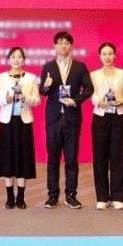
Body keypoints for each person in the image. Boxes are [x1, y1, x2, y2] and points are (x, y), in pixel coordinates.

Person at [38, 31, 93, 209]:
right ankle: (52, 196)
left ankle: (71, 195)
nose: (63, 45)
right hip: (53, 118)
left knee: (71, 159)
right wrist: (46, 86)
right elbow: (42, 91)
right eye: (60, 42)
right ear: (55, 45)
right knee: (52, 159)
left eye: (67, 42)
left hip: (72, 117)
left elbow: (89, 88)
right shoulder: (48, 66)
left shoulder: (79, 66)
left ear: (71, 45)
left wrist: (75, 100)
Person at [0, 46, 40, 210]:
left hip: (23, 121)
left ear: (23, 59)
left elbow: (36, 100)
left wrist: (25, 98)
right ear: (8, 59)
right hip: (7, 121)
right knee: (8, 158)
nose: (16, 60)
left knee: (23, 158)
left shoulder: (31, 78)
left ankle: (20, 197)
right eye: (13, 57)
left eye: (19, 57)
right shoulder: (1, 77)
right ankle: (9, 197)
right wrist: (6, 98)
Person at [89, 42, 123, 210]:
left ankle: (117, 197)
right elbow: (91, 93)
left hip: (118, 116)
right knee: (100, 157)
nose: (107, 57)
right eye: (104, 54)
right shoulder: (94, 75)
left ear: (115, 55)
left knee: (118, 157)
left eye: (110, 54)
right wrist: (98, 101)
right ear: (100, 56)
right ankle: (102, 197)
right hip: (100, 117)